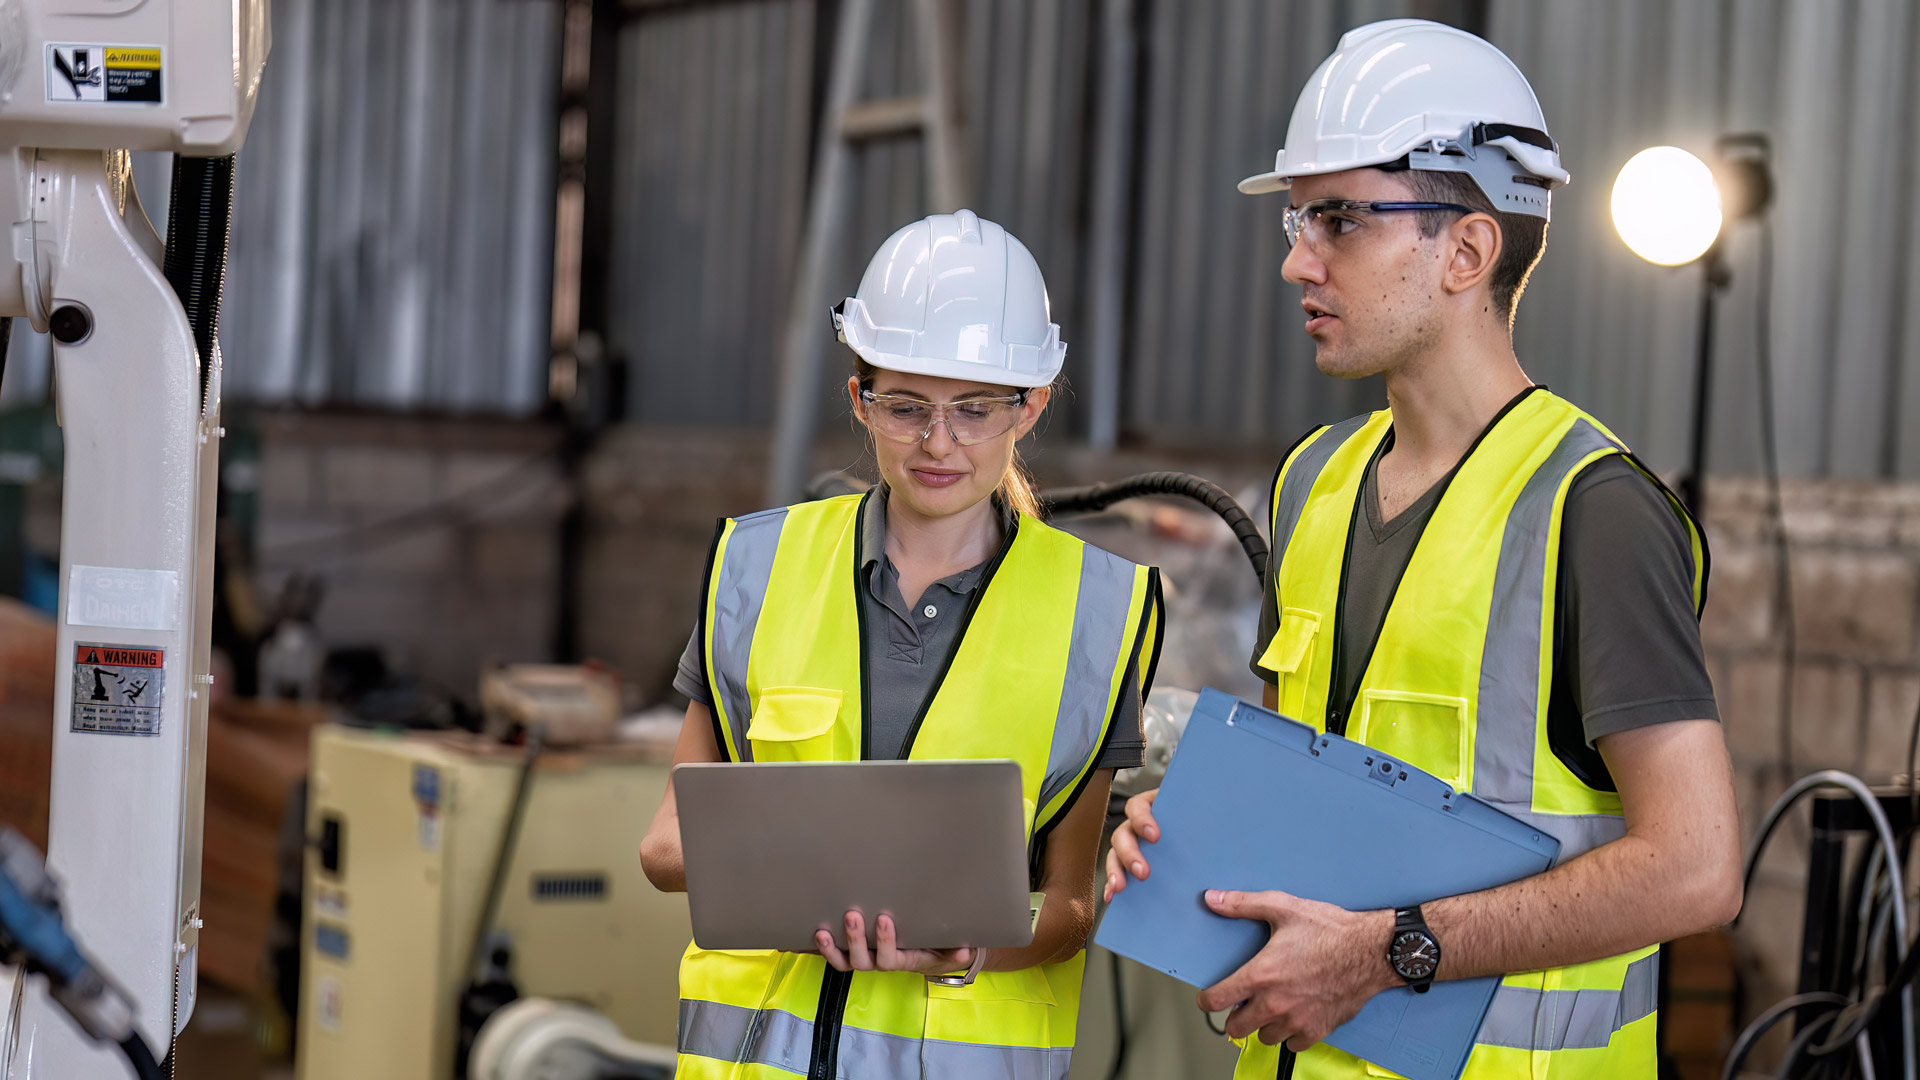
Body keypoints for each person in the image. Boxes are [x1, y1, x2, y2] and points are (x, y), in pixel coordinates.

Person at [1103, 20, 1742, 1080]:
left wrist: (1391, 952)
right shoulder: (1315, 479)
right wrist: (1184, 832)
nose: (1294, 259)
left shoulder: (1595, 510)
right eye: (1300, 218)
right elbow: (1298, 773)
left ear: (1468, 250)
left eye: (1339, 220)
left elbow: (1698, 868)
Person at [642, 209, 1164, 1079]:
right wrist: (803, 876)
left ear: (1029, 406)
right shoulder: (755, 568)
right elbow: (664, 845)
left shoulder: (1102, 610)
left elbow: (1071, 906)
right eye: (905, 406)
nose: (938, 443)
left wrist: (960, 951)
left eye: (974, 411)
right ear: (859, 399)